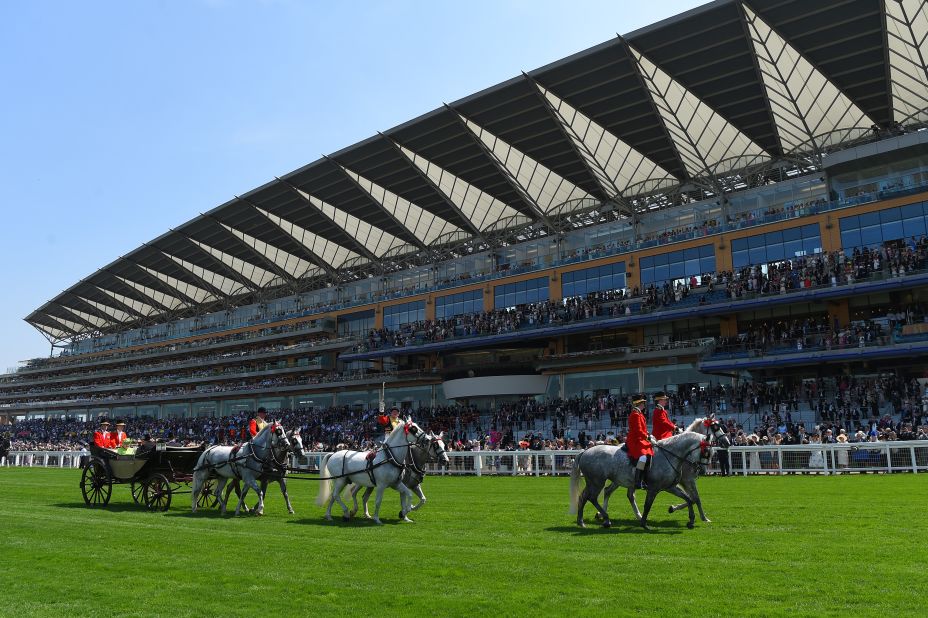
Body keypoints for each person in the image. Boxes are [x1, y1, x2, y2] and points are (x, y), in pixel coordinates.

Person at [627, 395, 656, 490]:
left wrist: (648, 434)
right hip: (635, 440)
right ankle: (637, 480)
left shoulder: (639, 414)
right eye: (643, 403)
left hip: (640, 439)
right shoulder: (635, 414)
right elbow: (638, 431)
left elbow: (643, 429)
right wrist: (647, 437)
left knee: (650, 453)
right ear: (639, 403)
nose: (644, 404)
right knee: (643, 457)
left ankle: (645, 479)